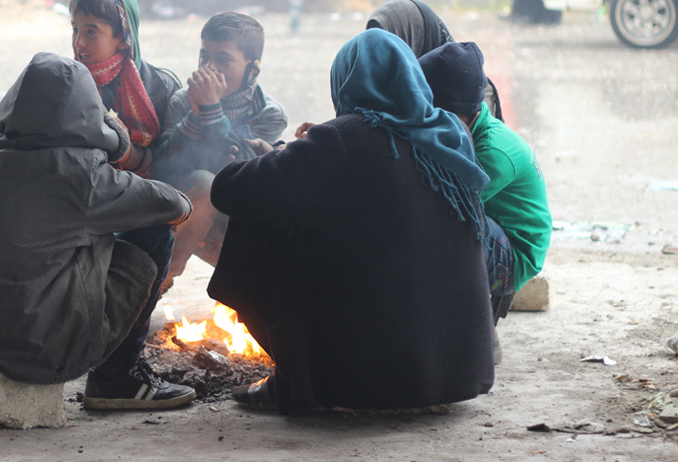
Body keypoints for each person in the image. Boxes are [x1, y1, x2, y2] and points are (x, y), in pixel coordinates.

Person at [208, 28, 495, 413]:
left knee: (255, 220)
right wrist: (292, 157)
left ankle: (293, 377)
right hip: (459, 374)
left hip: (368, 382)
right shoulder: (450, 133)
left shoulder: (343, 137)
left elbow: (228, 190)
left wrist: (278, 158)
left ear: (345, 81)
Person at [0, 53, 195, 409]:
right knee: (154, 234)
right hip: (31, 347)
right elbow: (175, 205)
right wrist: (112, 138)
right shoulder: (80, 172)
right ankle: (117, 379)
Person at [68, 0, 195, 408]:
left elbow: (170, 165)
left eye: (91, 31)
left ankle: (118, 365)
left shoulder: (159, 86)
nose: (79, 43)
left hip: (135, 203)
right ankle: (114, 374)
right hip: (84, 205)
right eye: (75, 30)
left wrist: (129, 153)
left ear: (124, 35)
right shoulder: (68, 85)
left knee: (156, 232)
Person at [419, 42, 552, 339]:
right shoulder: (474, 127)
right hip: (496, 227)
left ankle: (475, 337)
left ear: (457, 113)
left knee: (439, 218)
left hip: (515, 255)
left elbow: (448, 204)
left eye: (433, 113)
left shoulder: (492, 152)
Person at [154, 12, 287, 292]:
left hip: (234, 217)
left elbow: (237, 173)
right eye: (204, 56)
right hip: (182, 210)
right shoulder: (183, 101)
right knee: (204, 183)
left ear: (252, 69)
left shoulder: (269, 114)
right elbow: (162, 167)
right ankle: (158, 281)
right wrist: (194, 116)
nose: (209, 68)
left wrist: (211, 110)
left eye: (223, 59)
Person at [366, 0, 504, 121]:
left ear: (417, 38)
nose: (379, 54)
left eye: (389, 44)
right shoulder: (380, 88)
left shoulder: (471, 93)